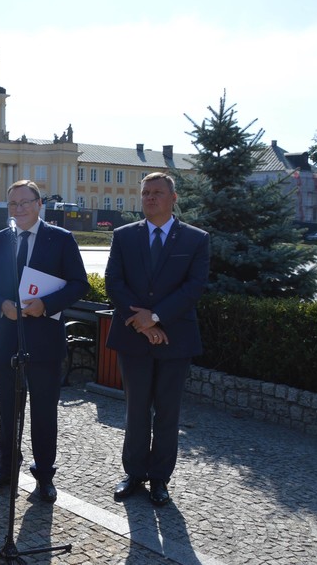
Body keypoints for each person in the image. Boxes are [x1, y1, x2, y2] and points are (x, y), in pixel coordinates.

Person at [0, 180, 89, 502]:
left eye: (26, 202)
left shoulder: (61, 239)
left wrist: (47, 305)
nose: (19, 208)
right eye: (13, 204)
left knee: (43, 410)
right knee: (8, 409)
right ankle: (6, 469)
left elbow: (79, 284)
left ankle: (44, 476)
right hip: (6, 337)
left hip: (45, 338)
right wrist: (1, 305)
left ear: (40, 204)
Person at [105, 172, 209, 507]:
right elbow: (113, 282)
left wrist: (157, 316)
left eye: (158, 192)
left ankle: (159, 479)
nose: (150, 198)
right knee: (136, 409)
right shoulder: (123, 236)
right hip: (133, 338)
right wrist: (143, 324)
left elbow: (194, 287)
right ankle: (134, 473)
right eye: (146, 192)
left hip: (175, 340)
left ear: (173, 198)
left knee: (167, 413)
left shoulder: (195, 239)